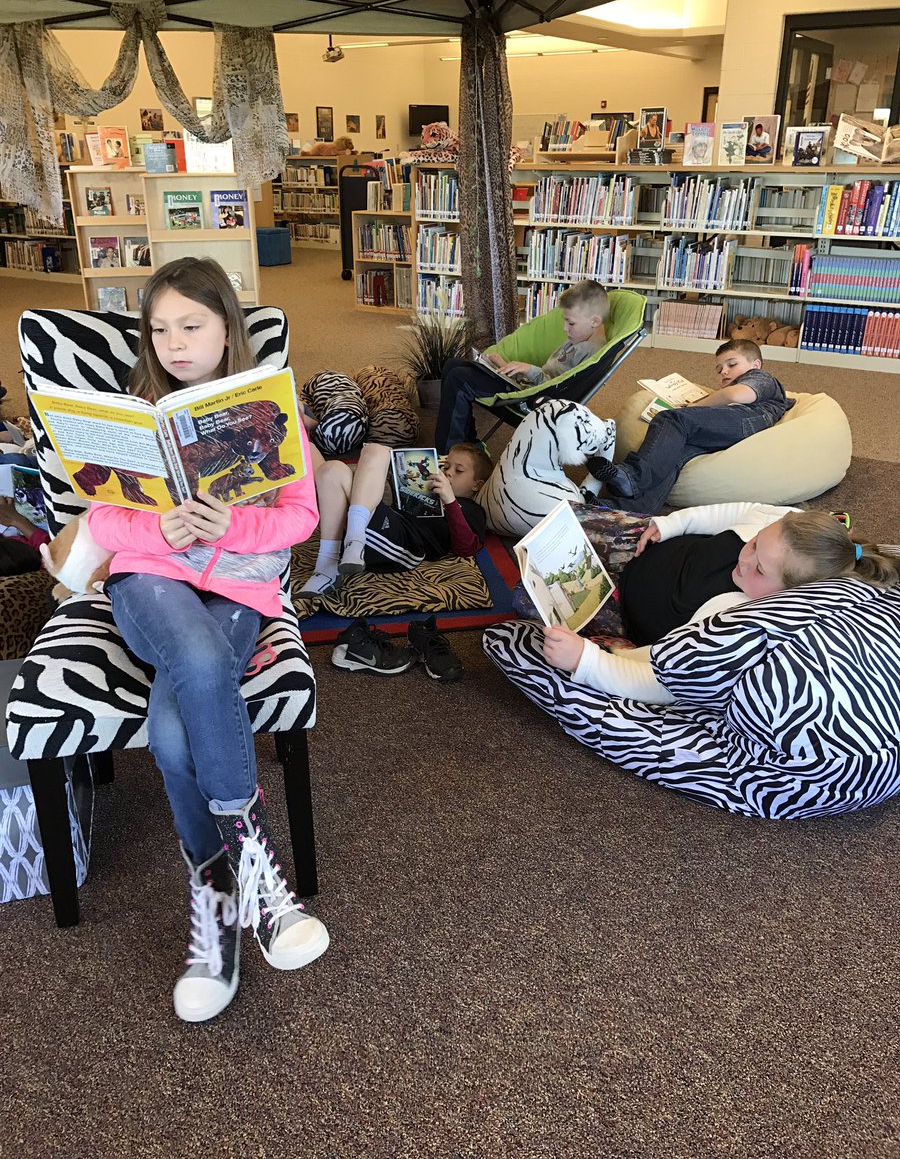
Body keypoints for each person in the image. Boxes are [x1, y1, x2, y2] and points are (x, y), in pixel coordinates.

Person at [87, 256, 328, 1024]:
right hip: (149, 580)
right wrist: (160, 524)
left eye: (191, 325)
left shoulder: (269, 406)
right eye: (159, 329)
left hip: (236, 583)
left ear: (229, 326)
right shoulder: (134, 409)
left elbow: (302, 516)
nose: (174, 343)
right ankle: (257, 854)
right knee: (192, 657)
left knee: (171, 734)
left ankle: (217, 891)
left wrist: (238, 523)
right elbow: (98, 518)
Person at [484, 511, 900, 817]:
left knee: (528, 613)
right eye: (754, 545)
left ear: (790, 595)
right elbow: (733, 508)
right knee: (558, 520)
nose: (745, 559)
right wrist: (672, 523)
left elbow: (663, 676)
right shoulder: (769, 531)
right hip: (651, 548)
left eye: (760, 569)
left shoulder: (737, 618)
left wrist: (588, 661)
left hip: (625, 613)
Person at [298, 441, 492, 679]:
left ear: (477, 484)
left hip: (408, 545)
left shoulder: (471, 509)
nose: (448, 472)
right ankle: (350, 543)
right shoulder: (428, 489)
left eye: (459, 471)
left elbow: (466, 547)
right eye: (446, 466)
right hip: (392, 522)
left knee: (344, 470)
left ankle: (332, 558)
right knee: (340, 466)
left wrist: (450, 501)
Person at [584, 339, 793, 514]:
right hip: (730, 429)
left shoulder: (761, 378)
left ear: (755, 365)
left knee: (671, 419)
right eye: (719, 369)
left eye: (732, 364)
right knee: (676, 453)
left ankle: (634, 476)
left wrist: (693, 407)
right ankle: (629, 509)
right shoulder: (748, 382)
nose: (724, 372)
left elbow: (734, 395)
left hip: (746, 420)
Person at [434, 280, 609, 454]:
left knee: (459, 379)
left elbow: (557, 389)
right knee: (452, 365)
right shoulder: (578, 339)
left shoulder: (592, 353)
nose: (565, 328)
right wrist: (506, 368)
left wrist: (528, 369)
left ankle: (448, 454)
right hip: (526, 387)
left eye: (570, 323)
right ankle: (467, 446)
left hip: (533, 400)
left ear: (594, 321)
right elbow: (547, 375)